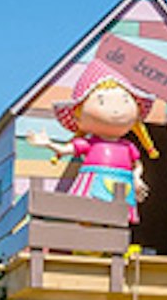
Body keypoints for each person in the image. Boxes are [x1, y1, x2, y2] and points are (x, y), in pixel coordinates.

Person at [26, 60, 157, 222]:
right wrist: (48, 143)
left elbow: (137, 164)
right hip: (94, 180)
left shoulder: (127, 146)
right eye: (101, 101)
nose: (116, 110)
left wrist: (137, 178)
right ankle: (87, 241)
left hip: (123, 181)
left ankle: (113, 242)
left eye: (125, 101)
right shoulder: (90, 143)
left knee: (120, 217)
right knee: (90, 211)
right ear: (79, 116)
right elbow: (66, 150)